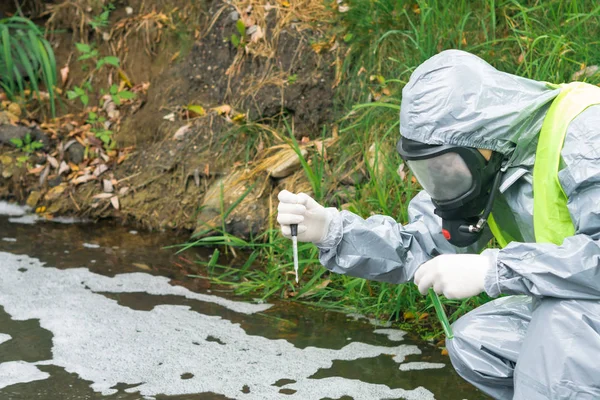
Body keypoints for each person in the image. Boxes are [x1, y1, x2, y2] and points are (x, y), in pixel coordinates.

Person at [276, 49, 600, 399]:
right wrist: (330, 230)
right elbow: (422, 245)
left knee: (561, 334)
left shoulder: (585, 133)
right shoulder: (495, 158)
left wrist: (494, 268)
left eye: (445, 165)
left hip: (577, 313)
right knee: (478, 340)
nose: (440, 182)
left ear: (480, 142)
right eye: (428, 170)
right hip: (583, 302)